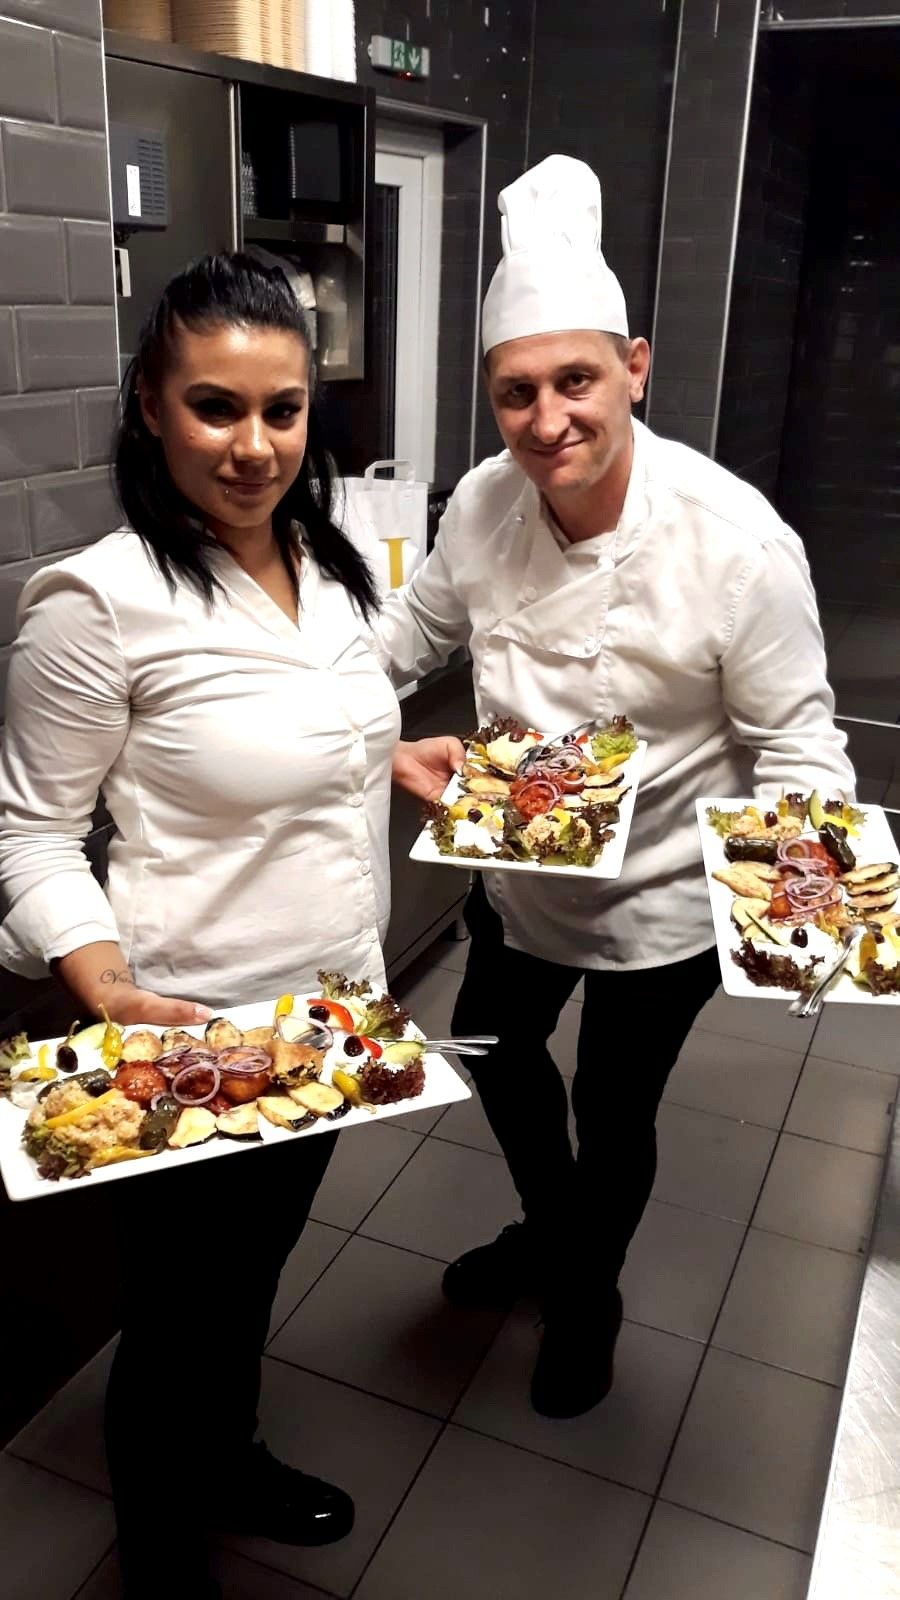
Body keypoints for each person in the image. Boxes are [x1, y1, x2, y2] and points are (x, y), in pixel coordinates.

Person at [0, 253, 454, 1599]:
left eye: (283, 410)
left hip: (334, 1011)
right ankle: (160, 1551)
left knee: (252, 1279)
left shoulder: (327, 563)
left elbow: (298, 728)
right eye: (216, 407)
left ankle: (229, 1456)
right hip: (190, 1024)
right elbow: (28, 831)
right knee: (177, 1315)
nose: (255, 446)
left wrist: (381, 755)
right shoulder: (98, 602)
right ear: (151, 405)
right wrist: (103, 984)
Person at [375, 155, 855, 1420]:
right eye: (517, 392)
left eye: (576, 381)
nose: (548, 422)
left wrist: (810, 936)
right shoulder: (485, 505)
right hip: (519, 871)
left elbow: (799, 744)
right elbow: (408, 637)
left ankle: (587, 1291)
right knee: (494, 1050)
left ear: (634, 368)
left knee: (613, 1104)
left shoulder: (737, 543)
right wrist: (323, 708)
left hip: (662, 901)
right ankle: (556, 1230)